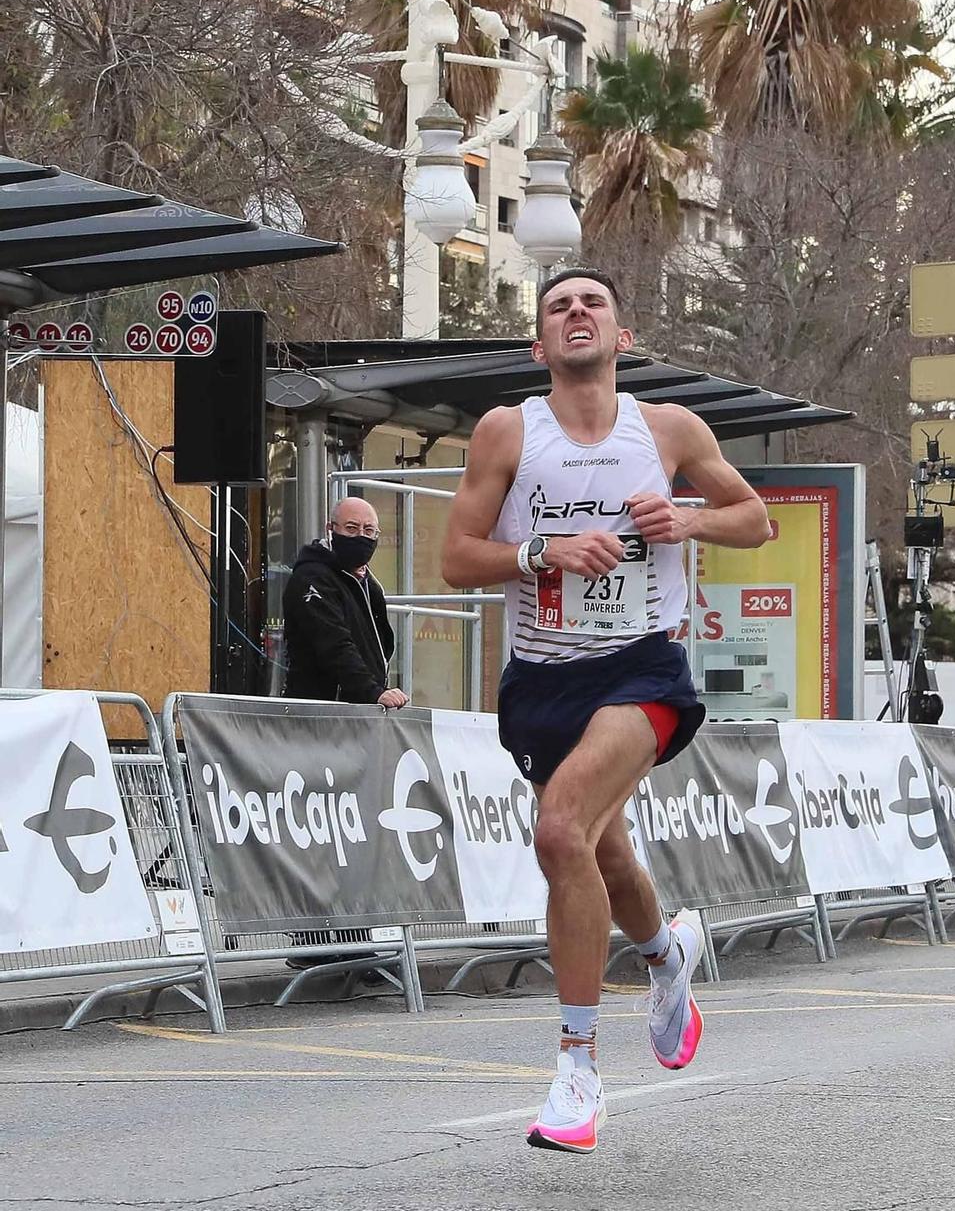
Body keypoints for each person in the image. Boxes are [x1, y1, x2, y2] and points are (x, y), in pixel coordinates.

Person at [441, 269, 770, 1155]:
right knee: (604, 850)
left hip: (642, 667)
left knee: (558, 830)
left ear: (623, 337)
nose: (576, 313)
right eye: (559, 307)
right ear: (539, 345)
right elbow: (456, 559)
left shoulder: (666, 429)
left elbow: (754, 519)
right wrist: (542, 549)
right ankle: (665, 955)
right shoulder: (508, 431)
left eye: (593, 304)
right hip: (545, 677)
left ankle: (577, 1068)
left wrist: (686, 522)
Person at [281, 496, 407, 708]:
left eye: (369, 531)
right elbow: (332, 642)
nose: (360, 536)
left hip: (359, 710)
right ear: (330, 529)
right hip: (322, 711)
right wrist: (372, 692)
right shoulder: (312, 578)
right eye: (351, 528)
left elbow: (381, 644)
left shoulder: (368, 584)